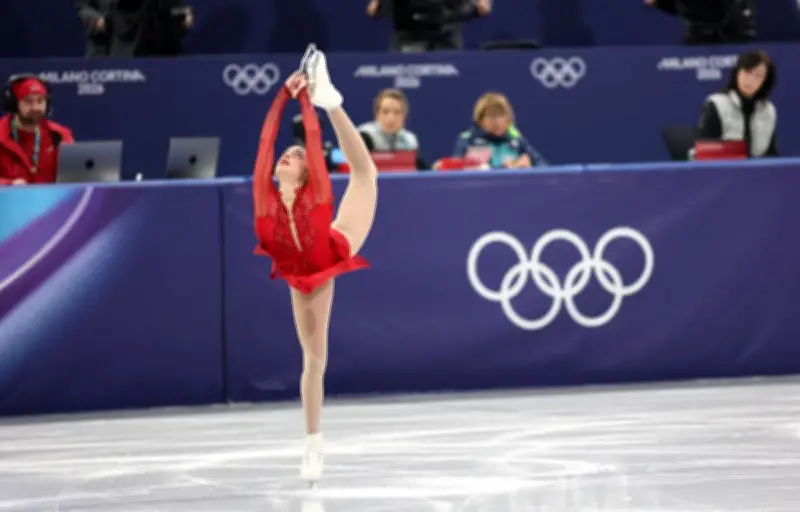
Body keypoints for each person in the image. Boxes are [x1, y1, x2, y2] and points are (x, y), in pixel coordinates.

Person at [251, 45, 378, 483]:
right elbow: (267, 142)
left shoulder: (317, 191)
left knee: (366, 175)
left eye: (296, 156)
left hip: (330, 250)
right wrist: (282, 96)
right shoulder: (265, 197)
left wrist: (310, 100)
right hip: (298, 275)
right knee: (314, 360)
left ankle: (334, 101)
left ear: (307, 173)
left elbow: (312, 145)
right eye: (286, 156)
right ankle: (312, 444)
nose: (288, 156)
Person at [697, 50, 778, 158]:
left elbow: (771, 155)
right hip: (723, 171)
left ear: (765, 81)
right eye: (747, 72)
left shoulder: (768, 110)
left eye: (758, 76)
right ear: (737, 73)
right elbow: (706, 151)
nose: (750, 80)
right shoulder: (717, 104)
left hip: (758, 172)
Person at [0, 75, 74, 186]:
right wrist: (9, 184)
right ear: (14, 105)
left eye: (40, 101)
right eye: (28, 101)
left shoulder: (59, 135)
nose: (35, 107)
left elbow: (76, 176)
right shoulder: (2, 134)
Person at [451, 92, 547, 169]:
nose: (498, 121)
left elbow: (543, 167)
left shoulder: (515, 138)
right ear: (480, 119)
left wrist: (530, 167)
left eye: (501, 115)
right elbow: (459, 174)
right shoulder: (468, 140)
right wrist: (506, 169)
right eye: (492, 116)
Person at [75, 0, 194, 58]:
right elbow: (83, 7)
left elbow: (175, 7)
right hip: (109, 46)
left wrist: (182, 14)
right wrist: (96, 20)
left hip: (157, 51)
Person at [358, 88, 428, 170]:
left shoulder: (410, 140)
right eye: (385, 112)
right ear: (377, 114)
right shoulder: (365, 136)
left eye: (397, 112)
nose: (391, 118)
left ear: (404, 116)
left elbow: (422, 170)